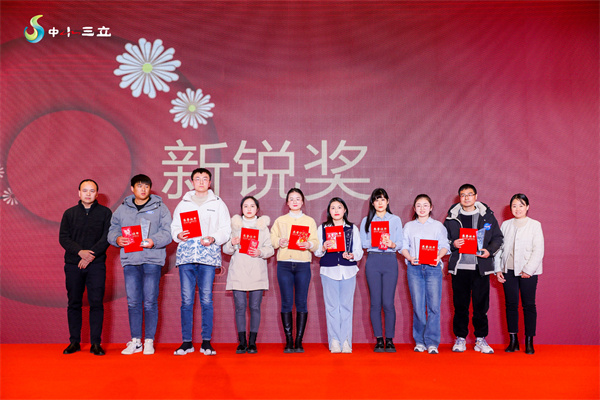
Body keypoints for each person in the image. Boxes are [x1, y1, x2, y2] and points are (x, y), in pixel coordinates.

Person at [108, 174, 172, 355]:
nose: (143, 189)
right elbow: (112, 229)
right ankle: (136, 341)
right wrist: (117, 239)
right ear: (132, 188)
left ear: (150, 188)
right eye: (139, 186)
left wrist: (154, 241)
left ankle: (149, 341)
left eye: (146, 186)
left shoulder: (160, 207)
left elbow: (168, 232)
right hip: (131, 260)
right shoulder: (122, 209)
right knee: (133, 302)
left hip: (152, 260)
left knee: (150, 301)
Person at [171, 168, 231, 356]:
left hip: (208, 257)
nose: (201, 182)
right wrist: (178, 234)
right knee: (186, 300)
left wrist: (213, 238)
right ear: (192, 182)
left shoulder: (218, 203)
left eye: (205, 179)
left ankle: (206, 342)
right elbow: (174, 227)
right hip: (186, 257)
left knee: (206, 300)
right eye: (197, 179)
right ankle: (186, 342)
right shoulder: (183, 203)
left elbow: (226, 230)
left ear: (210, 182)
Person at [444, 183, 503, 354]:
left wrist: (489, 251)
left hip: (480, 268)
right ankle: (460, 338)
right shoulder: (451, 218)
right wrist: (453, 244)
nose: (467, 198)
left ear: (476, 196)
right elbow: (443, 240)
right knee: (460, 306)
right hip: (460, 267)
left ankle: (480, 339)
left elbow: (498, 238)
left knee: (481, 307)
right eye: (463, 195)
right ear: (459, 198)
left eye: (470, 194)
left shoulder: (487, 216)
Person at [59, 179, 112, 356]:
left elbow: (107, 237)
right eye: (85, 190)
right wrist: (80, 252)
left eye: (92, 191)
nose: (88, 194)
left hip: (96, 265)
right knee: (74, 303)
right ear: (79, 193)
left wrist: (90, 256)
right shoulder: (69, 213)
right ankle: (74, 342)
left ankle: (96, 343)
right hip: (73, 264)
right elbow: (63, 238)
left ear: (97, 194)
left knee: (96, 303)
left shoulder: (105, 213)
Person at [223, 196, 274, 354]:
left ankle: (252, 342)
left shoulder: (263, 227)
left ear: (257, 209)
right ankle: (242, 342)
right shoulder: (234, 225)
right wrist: (232, 243)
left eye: (252, 206)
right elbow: (225, 249)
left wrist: (260, 252)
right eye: (246, 206)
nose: (249, 209)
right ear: (241, 208)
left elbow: (270, 249)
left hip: (256, 270)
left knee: (254, 307)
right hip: (238, 270)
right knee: (240, 307)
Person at [495, 193, 544, 354]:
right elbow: (499, 248)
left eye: (521, 205)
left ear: (527, 207)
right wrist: (498, 269)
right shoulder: (506, 225)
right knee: (510, 305)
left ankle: (529, 341)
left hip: (528, 272)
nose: (517, 209)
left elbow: (538, 250)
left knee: (529, 305)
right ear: (510, 208)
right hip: (508, 270)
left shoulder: (535, 225)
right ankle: (513, 341)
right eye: (514, 206)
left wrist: (528, 270)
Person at [400, 194, 450, 354]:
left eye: (425, 205)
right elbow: (403, 246)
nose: (422, 208)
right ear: (414, 208)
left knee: (434, 307)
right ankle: (420, 341)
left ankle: (432, 342)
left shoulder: (438, 226)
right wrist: (410, 257)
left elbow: (445, 246)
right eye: (419, 205)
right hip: (414, 269)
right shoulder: (409, 226)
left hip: (433, 269)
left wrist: (438, 257)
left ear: (431, 207)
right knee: (418, 306)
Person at [270, 188, 318, 353]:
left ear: (302, 202)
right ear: (287, 202)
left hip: (303, 264)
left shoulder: (309, 221)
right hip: (284, 264)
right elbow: (272, 239)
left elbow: (315, 242)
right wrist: (279, 241)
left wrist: (309, 244)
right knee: (286, 302)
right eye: (291, 199)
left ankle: (299, 340)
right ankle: (289, 340)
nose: (295, 201)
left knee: (302, 302)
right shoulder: (280, 220)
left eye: (298, 198)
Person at [314, 197, 363, 353]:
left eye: (339, 207)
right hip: (329, 271)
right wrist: (323, 247)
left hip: (348, 271)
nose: (336, 210)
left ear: (345, 210)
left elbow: (359, 251)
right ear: (329, 211)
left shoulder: (352, 228)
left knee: (346, 307)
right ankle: (334, 341)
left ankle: (346, 340)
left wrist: (352, 255)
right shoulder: (322, 228)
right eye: (333, 208)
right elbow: (316, 252)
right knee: (332, 307)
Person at [360, 188, 403, 353]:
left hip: (390, 260)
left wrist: (392, 244)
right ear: (372, 203)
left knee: (388, 302)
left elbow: (400, 242)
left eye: (383, 199)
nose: (380, 203)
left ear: (388, 201)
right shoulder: (367, 221)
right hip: (373, 260)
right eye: (377, 200)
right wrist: (375, 240)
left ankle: (390, 339)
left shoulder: (395, 220)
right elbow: (362, 243)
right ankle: (379, 339)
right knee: (375, 302)